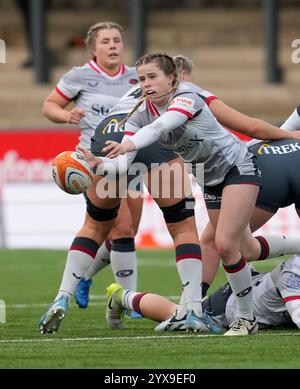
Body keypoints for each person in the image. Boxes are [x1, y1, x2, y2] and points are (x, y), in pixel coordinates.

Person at [82, 52, 300, 336]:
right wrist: (103, 165)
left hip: (238, 168)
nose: (146, 84)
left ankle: (245, 319)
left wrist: (128, 144)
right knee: (246, 249)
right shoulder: (139, 113)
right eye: (141, 79)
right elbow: (125, 160)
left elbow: (161, 127)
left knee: (223, 244)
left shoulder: (188, 96)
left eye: (153, 77)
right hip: (209, 179)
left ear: (172, 78)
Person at [39, 21, 144, 332]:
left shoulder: (135, 77)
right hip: (94, 162)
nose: (113, 45)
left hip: (131, 160)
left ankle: (84, 274)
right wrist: (66, 115)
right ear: (93, 48)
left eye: (117, 40)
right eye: (106, 41)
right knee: (121, 227)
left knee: (124, 234)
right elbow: (49, 105)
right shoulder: (79, 76)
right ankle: (131, 302)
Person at [105, 252, 300, 332]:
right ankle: (121, 297)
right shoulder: (292, 275)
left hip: (254, 286)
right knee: (176, 313)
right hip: (228, 306)